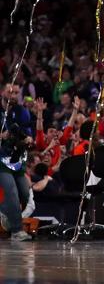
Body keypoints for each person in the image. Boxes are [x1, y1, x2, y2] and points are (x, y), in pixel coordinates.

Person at [0, 83, 35, 241]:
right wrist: (2, 136)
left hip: (17, 160)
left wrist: (28, 138)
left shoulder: (22, 112)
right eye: (10, 92)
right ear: (2, 92)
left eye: (15, 93)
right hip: (1, 160)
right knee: (11, 192)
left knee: (26, 195)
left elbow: (28, 134)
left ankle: (6, 213)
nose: (13, 95)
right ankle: (16, 231)